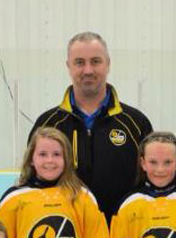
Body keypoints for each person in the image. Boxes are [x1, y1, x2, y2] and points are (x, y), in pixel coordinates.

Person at [30, 31, 153, 220]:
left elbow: (151, 185)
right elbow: (31, 183)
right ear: (68, 66)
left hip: (121, 237)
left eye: (96, 61)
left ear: (108, 64)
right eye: (79, 62)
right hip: (65, 235)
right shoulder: (48, 124)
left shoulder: (136, 123)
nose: (88, 70)